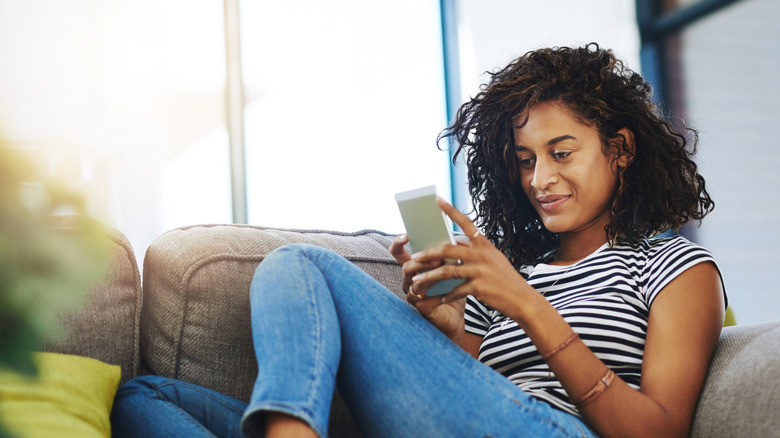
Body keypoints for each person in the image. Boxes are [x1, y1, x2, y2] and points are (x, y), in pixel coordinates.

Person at [111, 43, 726, 438]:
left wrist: (529, 306)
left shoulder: (675, 267)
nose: (540, 179)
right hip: (478, 420)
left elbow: (657, 433)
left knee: (302, 264)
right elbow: (460, 400)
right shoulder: (508, 268)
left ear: (619, 148)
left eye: (561, 153)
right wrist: (450, 325)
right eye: (524, 160)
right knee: (145, 396)